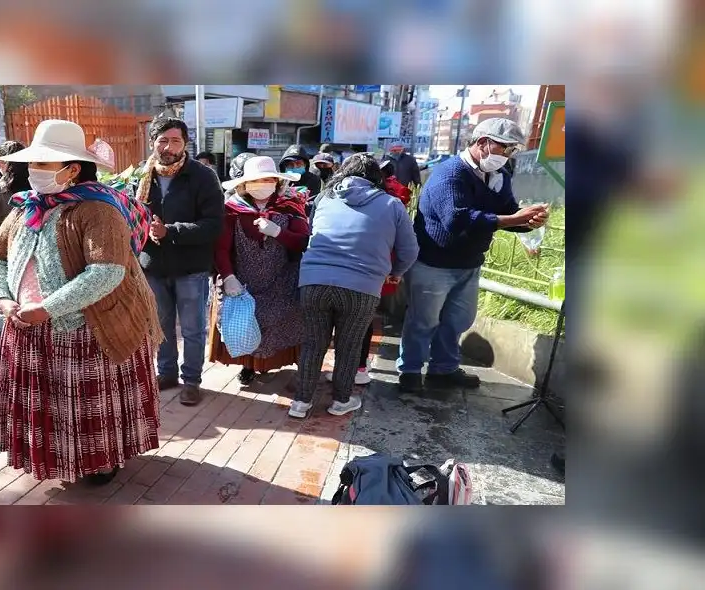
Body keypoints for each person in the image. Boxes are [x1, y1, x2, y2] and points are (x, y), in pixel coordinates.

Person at [0, 119, 163, 485]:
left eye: (43, 164)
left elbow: (106, 272)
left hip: (85, 330)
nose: (33, 172)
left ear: (72, 169)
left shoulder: (97, 210)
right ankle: (57, 457)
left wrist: (46, 308)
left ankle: (101, 460)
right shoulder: (26, 209)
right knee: (49, 405)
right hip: (26, 326)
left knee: (84, 406)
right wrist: (3, 299)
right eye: (32, 164)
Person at [397, 118, 549, 393]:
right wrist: (512, 219)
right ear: (483, 143)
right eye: (505, 148)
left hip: (468, 263)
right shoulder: (450, 173)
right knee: (424, 320)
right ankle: (409, 370)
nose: (509, 155)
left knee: (458, 320)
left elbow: (508, 212)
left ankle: (443, 368)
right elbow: (456, 219)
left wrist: (528, 222)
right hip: (434, 262)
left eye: (512, 150)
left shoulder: (500, 176)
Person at [290, 153, 419, 419]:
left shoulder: (325, 198)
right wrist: (395, 273)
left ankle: (300, 404)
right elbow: (409, 249)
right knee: (349, 345)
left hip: (315, 281)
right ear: (377, 177)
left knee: (313, 343)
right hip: (362, 286)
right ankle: (340, 401)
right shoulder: (392, 204)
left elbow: (312, 231)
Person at [135, 116, 225, 406]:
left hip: (191, 267)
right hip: (153, 265)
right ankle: (167, 373)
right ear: (152, 143)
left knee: (192, 328)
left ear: (185, 143)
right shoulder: (142, 176)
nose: (169, 146)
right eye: (163, 140)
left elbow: (214, 225)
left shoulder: (202, 176)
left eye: (175, 140)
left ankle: (192, 381)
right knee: (159, 326)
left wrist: (170, 231)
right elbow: (132, 215)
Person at [207, 156, 309, 385]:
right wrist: (228, 276)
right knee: (246, 321)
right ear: (244, 184)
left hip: (283, 278)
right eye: (256, 180)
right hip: (244, 279)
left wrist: (278, 233)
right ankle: (248, 365)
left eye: (267, 179)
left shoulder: (290, 206)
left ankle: (290, 365)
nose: (261, 184)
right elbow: (221, 249)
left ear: (276, 181)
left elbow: (302, 243)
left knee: (284, 320)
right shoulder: (231, 210)